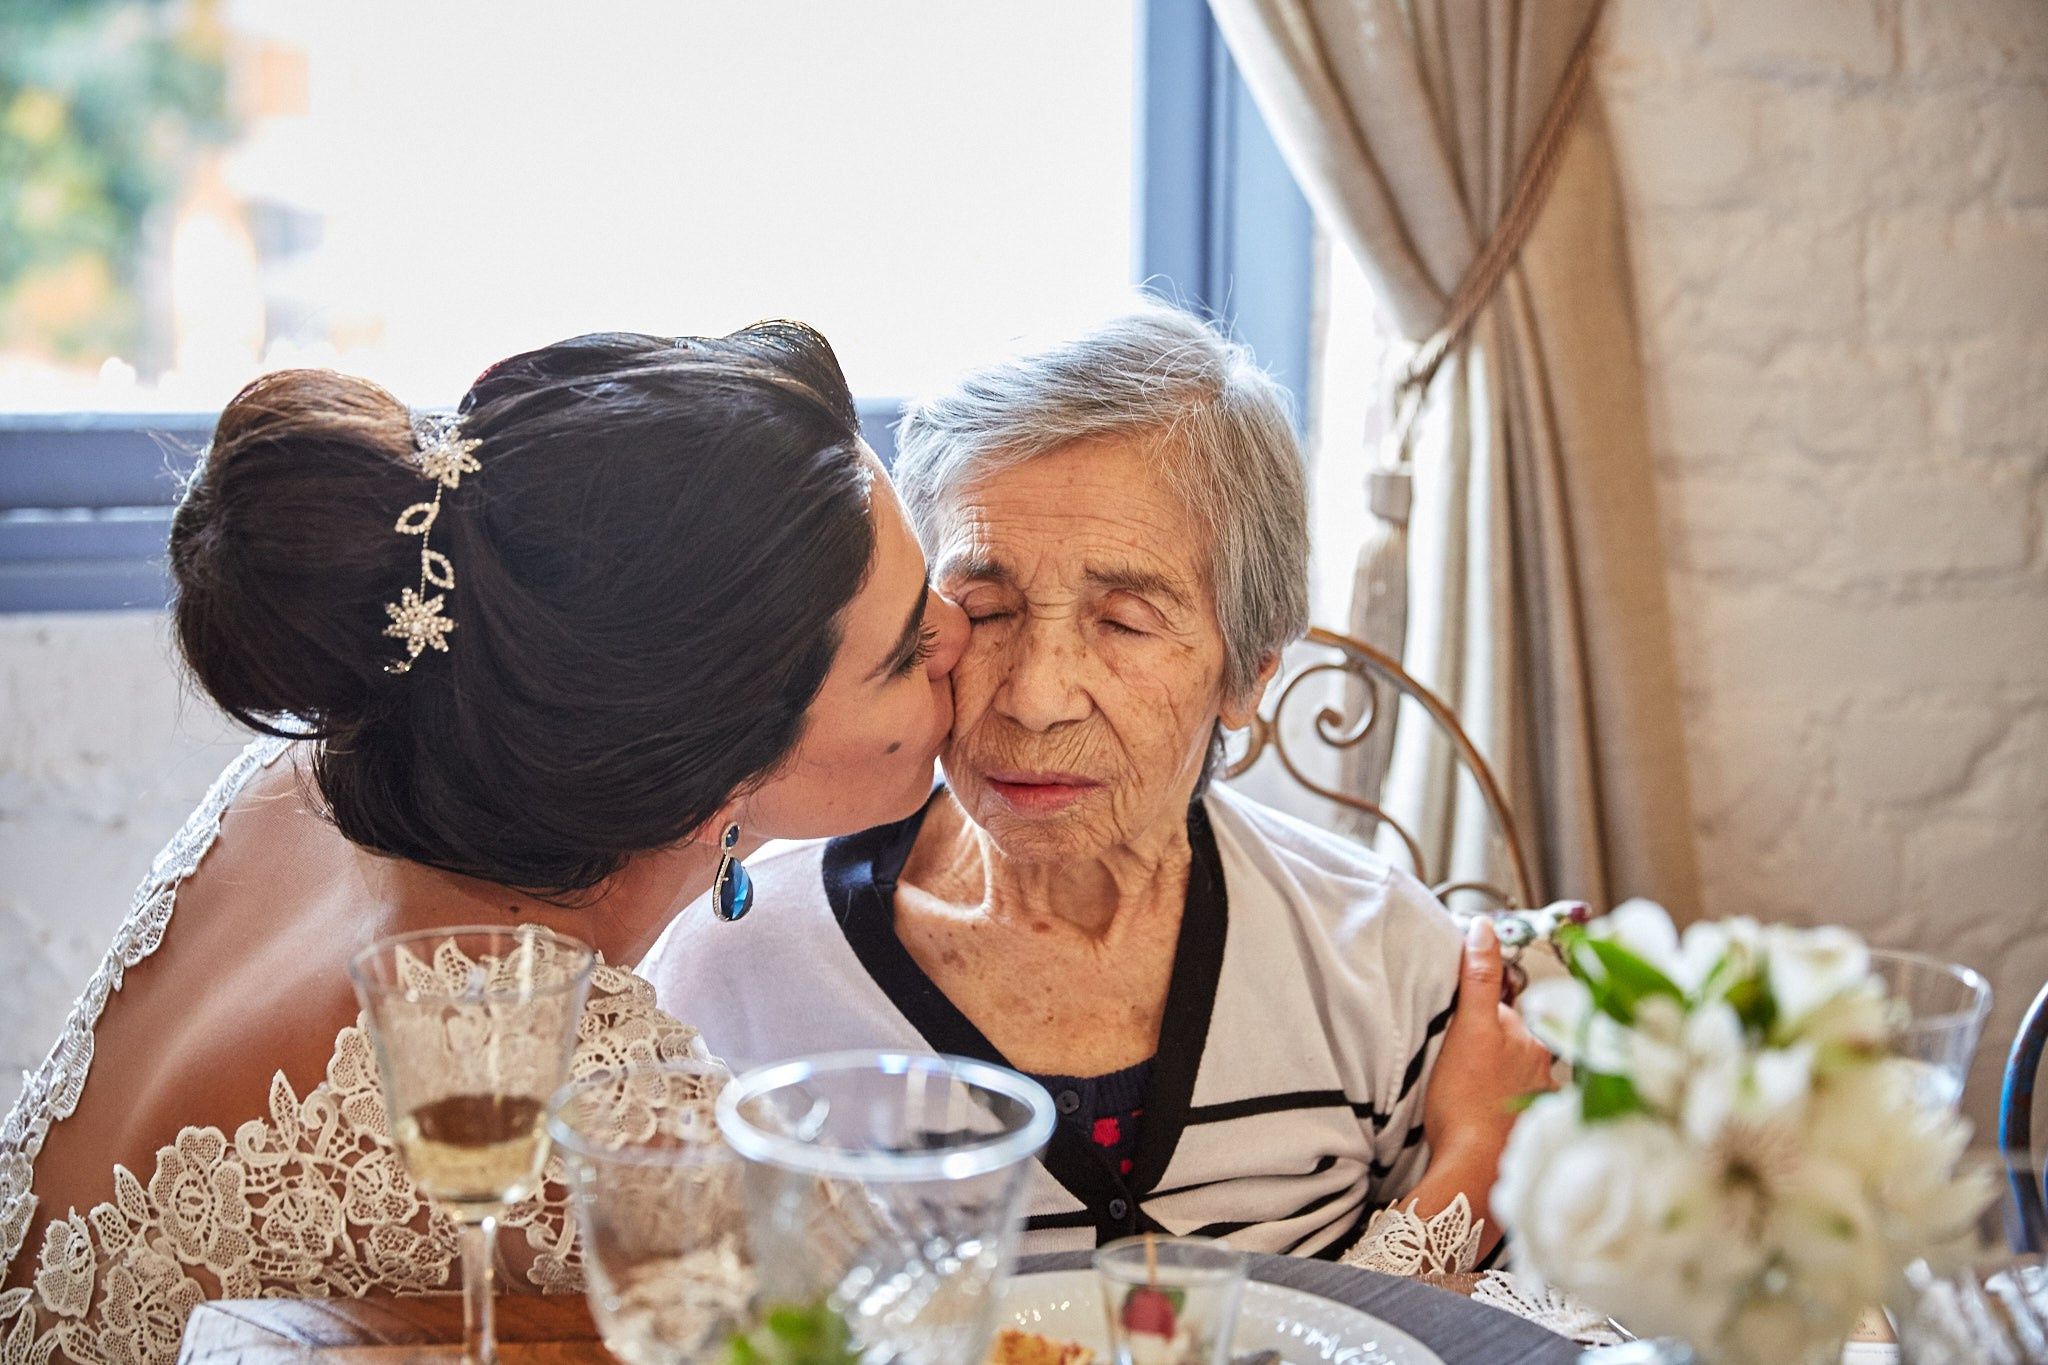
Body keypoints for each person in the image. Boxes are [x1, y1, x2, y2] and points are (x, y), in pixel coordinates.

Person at [0, 324, 968, 1363]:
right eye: (908, 650)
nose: (961, 628)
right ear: (707, 762)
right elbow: (893, 1331)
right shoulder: (562, 1086)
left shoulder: (305, 780)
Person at [646, 307, 1555, 1261]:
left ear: (1247, 671)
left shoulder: (1375, 956)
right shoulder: (734, 969)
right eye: (986, 610)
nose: (1036, 698)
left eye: (1123, 622)